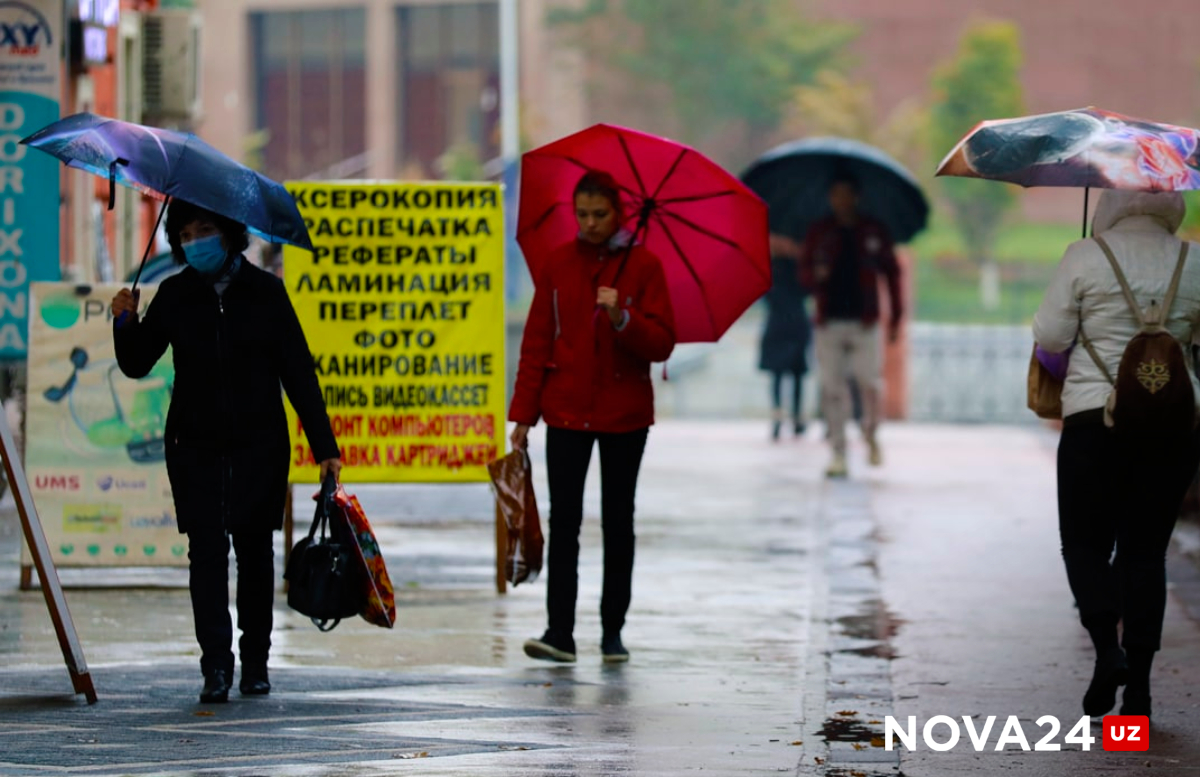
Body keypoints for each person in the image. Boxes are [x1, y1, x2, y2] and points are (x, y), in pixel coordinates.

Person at [110, 200, 342, 704]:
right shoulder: (173, 294)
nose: (197, 240)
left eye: (207, 229)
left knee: (255, 555)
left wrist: (325, 446)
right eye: (187, 232)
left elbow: (299, 373)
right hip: (193, 447)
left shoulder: (267, 293)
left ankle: (255, 663)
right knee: (207, 555)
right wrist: (124, 323)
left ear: (231, 233)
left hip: (259, 445)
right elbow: (135, 363)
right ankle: (216, 666)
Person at [1033, 189, 1200, 719]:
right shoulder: (1195, 260)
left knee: (1083, 546)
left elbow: (1052, 337)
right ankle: (1139, 700)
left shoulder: (1085, 255)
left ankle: (1108, 651)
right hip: (1174, 426)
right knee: (1146, 553)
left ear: (1109, 204)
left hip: (1093, 420)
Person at [509, 170, 676, 664]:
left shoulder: (643, 267)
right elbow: (537, 343)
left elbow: (662, 341)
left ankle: (612, 632)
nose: (590, 223)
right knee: (565, 523)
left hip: (625, 416)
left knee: (617, 521)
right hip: (565, 412)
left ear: (618, 212)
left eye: (599, 214)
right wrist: (523, 415)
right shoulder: (558, 265)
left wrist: (623, 316)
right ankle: (559, 630)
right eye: (582, 214)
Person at [799, 173, 902, 478]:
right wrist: (816, 275)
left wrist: (895, 317)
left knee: (869, 382)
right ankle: (838, 450)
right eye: (836, 195)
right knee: (832, 386)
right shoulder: (820, 232)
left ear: (856, 196)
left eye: (846, 194)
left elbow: (892, 275)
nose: (841, 201)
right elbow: (803, 275)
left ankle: (870, 432)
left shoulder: (873, 231)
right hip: (829, 320)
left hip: (865, 320)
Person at [760, 234, 812, 440]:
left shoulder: (798, 267)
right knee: (779, 373)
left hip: (792, 323)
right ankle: (779, 416)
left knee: (796, 373)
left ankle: (796, 416)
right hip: (781, 323)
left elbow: (807, 289)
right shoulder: (770, 268)